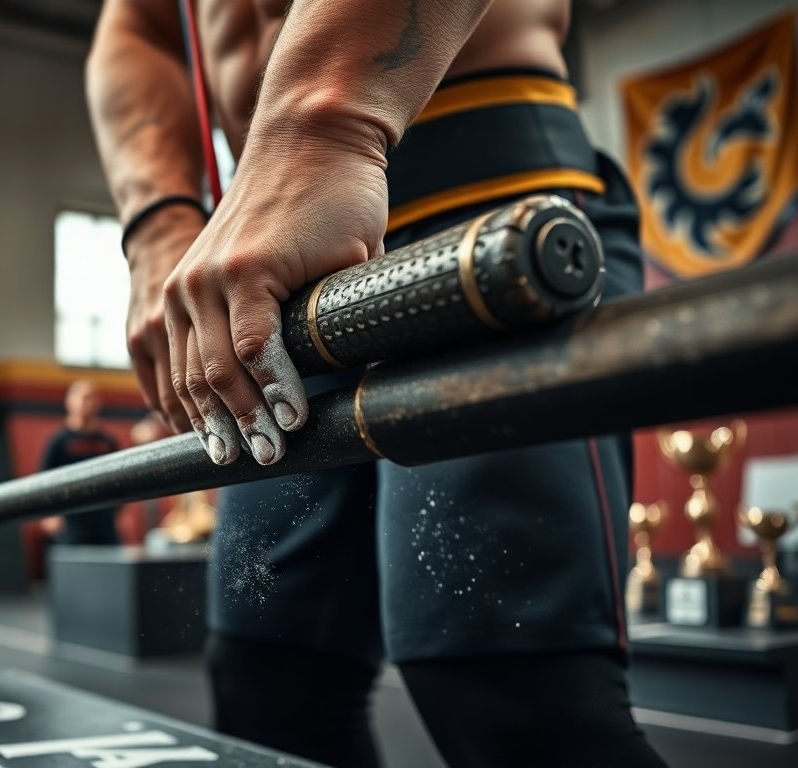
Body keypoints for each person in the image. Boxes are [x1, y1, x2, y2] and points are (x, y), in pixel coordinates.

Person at [87, 1, 668, 766]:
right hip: (276, 254)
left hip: (478, 198)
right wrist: (160, 225)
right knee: (269, 681)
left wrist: (321, 124)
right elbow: (137, 28)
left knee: (510, 694)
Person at [39, 380, 122, 546]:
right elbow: (44, 481)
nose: (87, 403)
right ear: (69, 401)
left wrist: (116, 511)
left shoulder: (107, 443)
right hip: (71, 523)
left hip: (103, 523)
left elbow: (120, 480)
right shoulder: (59, 443)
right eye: (83, 397)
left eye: (91, 398)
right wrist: (50, 514)